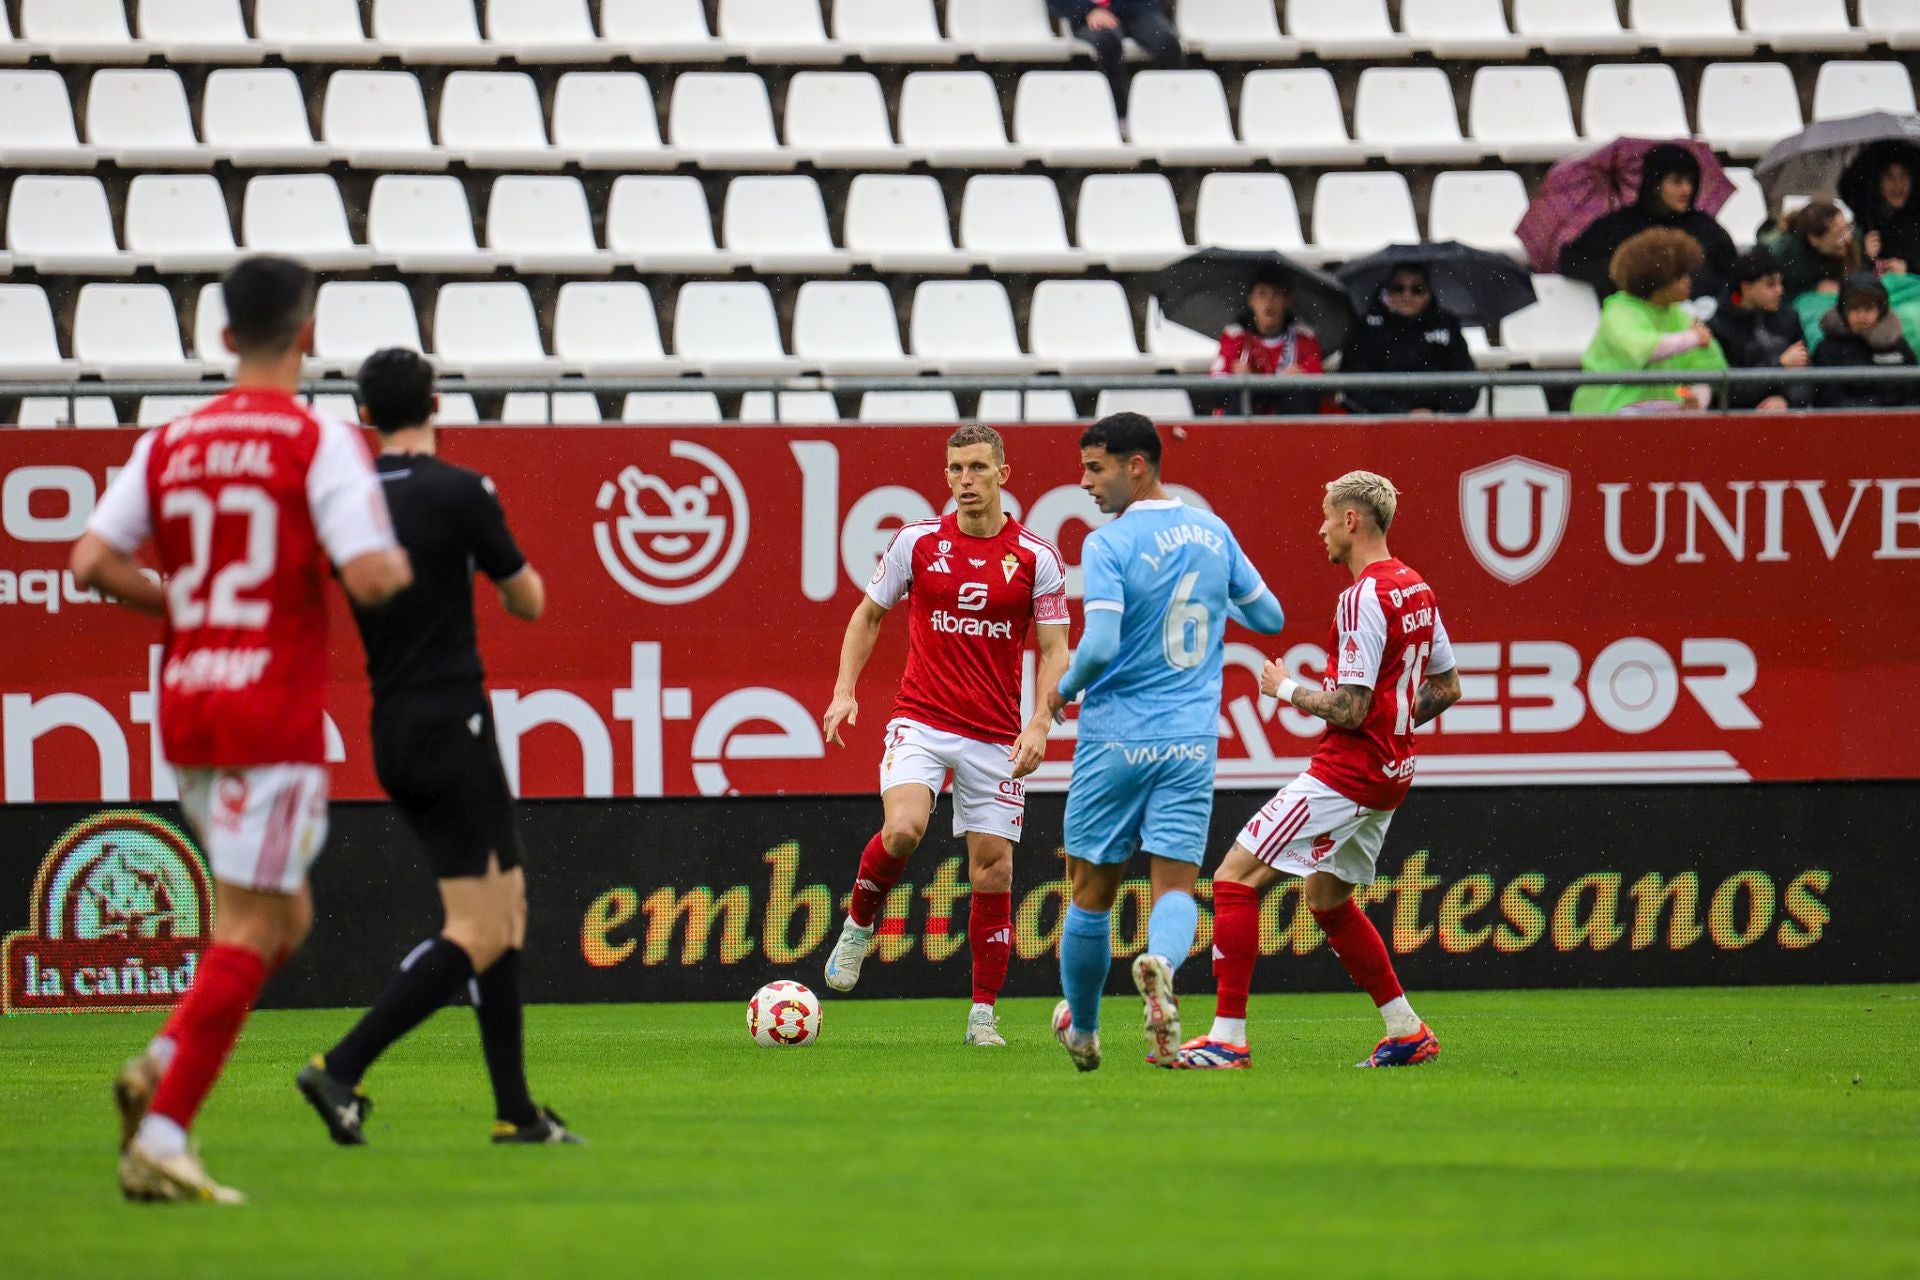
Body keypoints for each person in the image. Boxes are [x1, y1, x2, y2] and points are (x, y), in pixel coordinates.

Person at [70, 255, 411, 1203]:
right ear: (308, 335)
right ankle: (166, 1133)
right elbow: (375, 576)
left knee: (282, 919)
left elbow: (91, 561)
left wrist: (183, 606)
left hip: (187, 704)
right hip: (270, 711)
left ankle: (159, 1060)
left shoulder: (170, 442)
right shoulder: (317, 445)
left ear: (223, 337)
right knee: (256, 924)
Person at [296, 348, 578, 1147]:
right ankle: (341, 1068)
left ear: (364, 417)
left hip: (390, 725)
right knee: (482, 926)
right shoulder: (460, 492)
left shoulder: (344, 504)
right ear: (437, 402)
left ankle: (517, 1112)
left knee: (506, 910)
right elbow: (527, 600)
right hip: (453, 722)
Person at [1179, 471, 1462, 1071]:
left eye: (1327, 516)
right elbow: (1447, 686)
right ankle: (1406, 1030)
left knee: (1233, 879)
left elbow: (1352, 709)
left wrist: (1286, 688)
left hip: (1349, 773)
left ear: (1352, 521)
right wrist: (1394, 723)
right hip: (1392, 770)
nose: (1322, 528)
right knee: (1327, 898)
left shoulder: (1362, 597)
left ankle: (1227, 1038)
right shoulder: (1416, 586)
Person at [1039, 414, 1285, 1072]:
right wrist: (1209, 593)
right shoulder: (1213, 530)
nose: (1085, 482)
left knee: (1092, 890)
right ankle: (1163, 965)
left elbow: (1101, 646)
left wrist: (1058, 692)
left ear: (1138, 466)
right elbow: (1270, 616)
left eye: (1096, 468)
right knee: (1176, 884)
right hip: (1190, 740)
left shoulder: (1108, 544)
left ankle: (1085, 1033)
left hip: (1117, 735)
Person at [819, 425, 1071, 1046]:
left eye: (979, 468)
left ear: (1003, 474)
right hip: (922, 720)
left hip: (994, 735)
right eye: (956, 468)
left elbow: (1054, 647)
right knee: (903, 828)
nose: (966, 480)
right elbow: (868, 614)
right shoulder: (917, 542)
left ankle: (982, 1014)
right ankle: (857, 927)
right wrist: (844, 691)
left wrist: (1041, 720)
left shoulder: (1037, 556)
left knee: (992, 873)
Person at [1571, 228, 1729, 415]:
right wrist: (1693, 337)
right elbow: (1645, 349)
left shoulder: (1681, 316)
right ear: (1655, 278)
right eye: (1678, 275)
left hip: (1663, 417)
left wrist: (1697, 399)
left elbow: (1709, 370)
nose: (1688, 281)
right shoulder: (1620, 311)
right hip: (1605, 416)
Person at [1559, 142, 1739, 301]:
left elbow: (1730, 274)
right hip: (1634, 322)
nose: (1687, 189)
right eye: (1677, 182)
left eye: (1691, 181)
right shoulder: (1619, 225)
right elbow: (1572, 260)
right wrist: (1630, 276)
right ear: (1655, 185)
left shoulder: (1705, 228)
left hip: (1696, 321)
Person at [1336, 264, 1480, 416]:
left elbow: (1467, 385)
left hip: (1438, 424)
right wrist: (1399, 412)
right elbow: (1354, 385)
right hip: (1377, 425)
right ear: (1387, 291)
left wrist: (1435, 411)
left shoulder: (1447, 326)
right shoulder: (1365, 328)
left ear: (1428, 294)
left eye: (1417, 289)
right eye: (1398, 288)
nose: (1407, 295)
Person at [1046, 0, 1181, 134]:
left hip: (1137, 11)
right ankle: (1119, 117)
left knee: (1167, 42)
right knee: (1107, 42)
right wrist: (1088, 10)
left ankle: (1166, 112)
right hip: (1086, 15)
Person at [1705, 248, 1812, 411]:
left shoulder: (1789, 318)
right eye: (1771, 284)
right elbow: (1729, 389)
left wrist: (1786, 400)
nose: (1780, 290)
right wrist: (1780, 366)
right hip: (1738, 421)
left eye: (1780, 283)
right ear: (1746, 288)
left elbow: (1808, 378)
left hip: (1788, 417)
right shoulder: (1718, 327)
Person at [1211, 267, 1325, 416]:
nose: (1269, 302)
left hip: (1286, 422)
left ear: (1288, 300)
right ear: (1250, 300)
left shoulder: (1304, 337)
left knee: (1298, 397)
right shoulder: (1235, 336)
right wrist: (1242, 381)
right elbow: (1217, 390)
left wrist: (1300, 379)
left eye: (1276, 294)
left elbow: (1318, 385)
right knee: (1237, 396)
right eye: (1262, 293)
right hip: (1246, 422)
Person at [1810, 271, 1920, 409]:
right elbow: (1827, 397)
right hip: (1846, 424)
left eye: (1868, 308)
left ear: (1881, 310)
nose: (1861, 315)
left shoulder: (1897, 345)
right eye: (1854, 308)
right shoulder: (1827, 348)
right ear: (1843, 310)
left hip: (1895, 424)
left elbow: (1914, 393)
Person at [1761, 201, 1858, 306]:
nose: (1847, 238)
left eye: (1847, 228)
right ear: (1814, 239)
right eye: (1838, 235)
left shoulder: (1846, 245)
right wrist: (1813, 292)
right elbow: (1772, 298)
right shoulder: (1783, 256)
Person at [1848, 145, 1918, 273]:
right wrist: (1865, 256)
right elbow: (1851, 277)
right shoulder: (1864, 223)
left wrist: (1909, 268)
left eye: (1903, 175)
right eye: (1889, 176)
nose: (1898, 184)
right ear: (1878, 182)